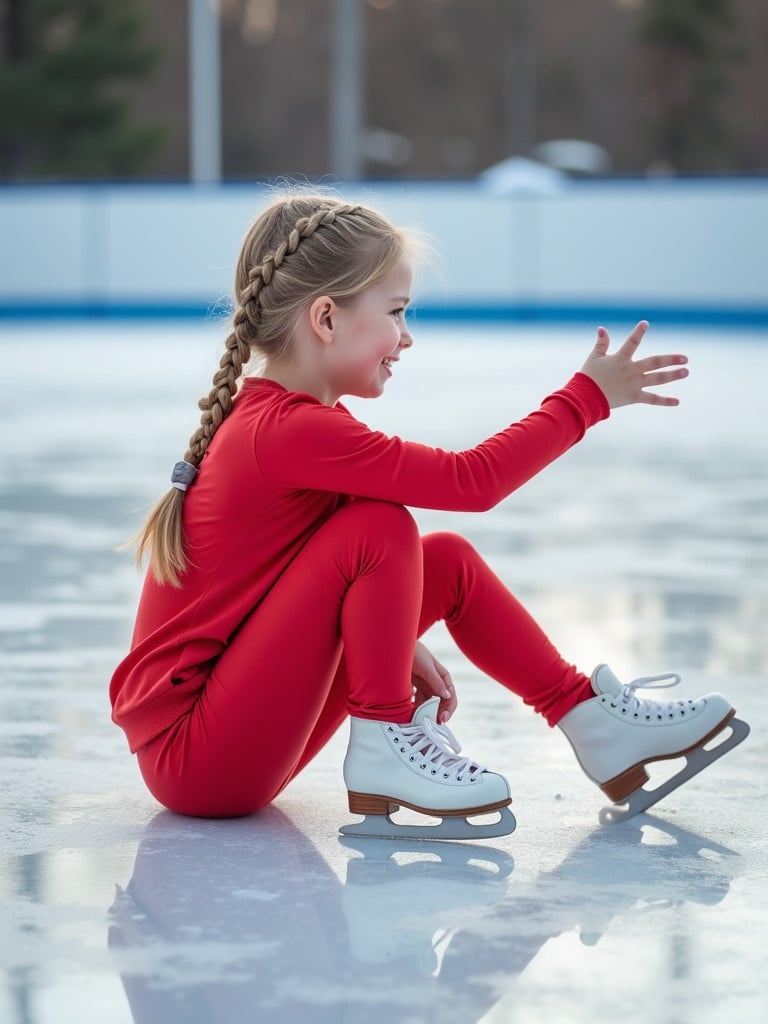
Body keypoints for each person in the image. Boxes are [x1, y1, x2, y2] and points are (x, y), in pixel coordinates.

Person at [109, 194, 747, 837]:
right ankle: (385, 741)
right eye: (395, 312)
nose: (407, 337)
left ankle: (592, 722)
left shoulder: (292, 424)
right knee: (381, 526)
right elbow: (472, 481)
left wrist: (389, 636)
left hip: (221, 746)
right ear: (326, 318)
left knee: (441, 562)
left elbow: (296, 582)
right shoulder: (286, 431)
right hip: (199, 759)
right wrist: (586, 400)